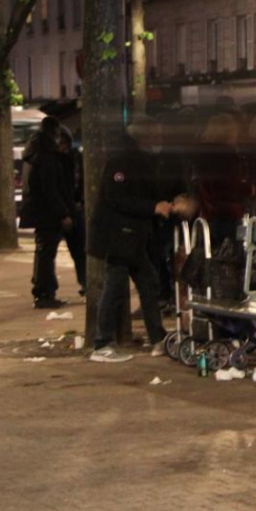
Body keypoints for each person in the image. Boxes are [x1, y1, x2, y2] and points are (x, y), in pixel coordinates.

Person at [90, 122, 190, 359]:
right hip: (119, 236)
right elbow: (117, 197)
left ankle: (157, 337)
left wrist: (169, 202)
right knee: (115, 287)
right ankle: (102, 343)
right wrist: (154, 207)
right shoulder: (123, 161)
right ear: (142, 138)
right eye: (156, 135)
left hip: (133, 238)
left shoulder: (142, 160)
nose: (160, 139)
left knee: (148, 282)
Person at [24, 120, 86, 308]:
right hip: (52, 214)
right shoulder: (47, 159)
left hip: (55, 212)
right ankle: (44, 292)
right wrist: (64, 213)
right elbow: (51, 189)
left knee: (46, 253)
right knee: (47, 253)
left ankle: (45, 290)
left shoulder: (41, 156)